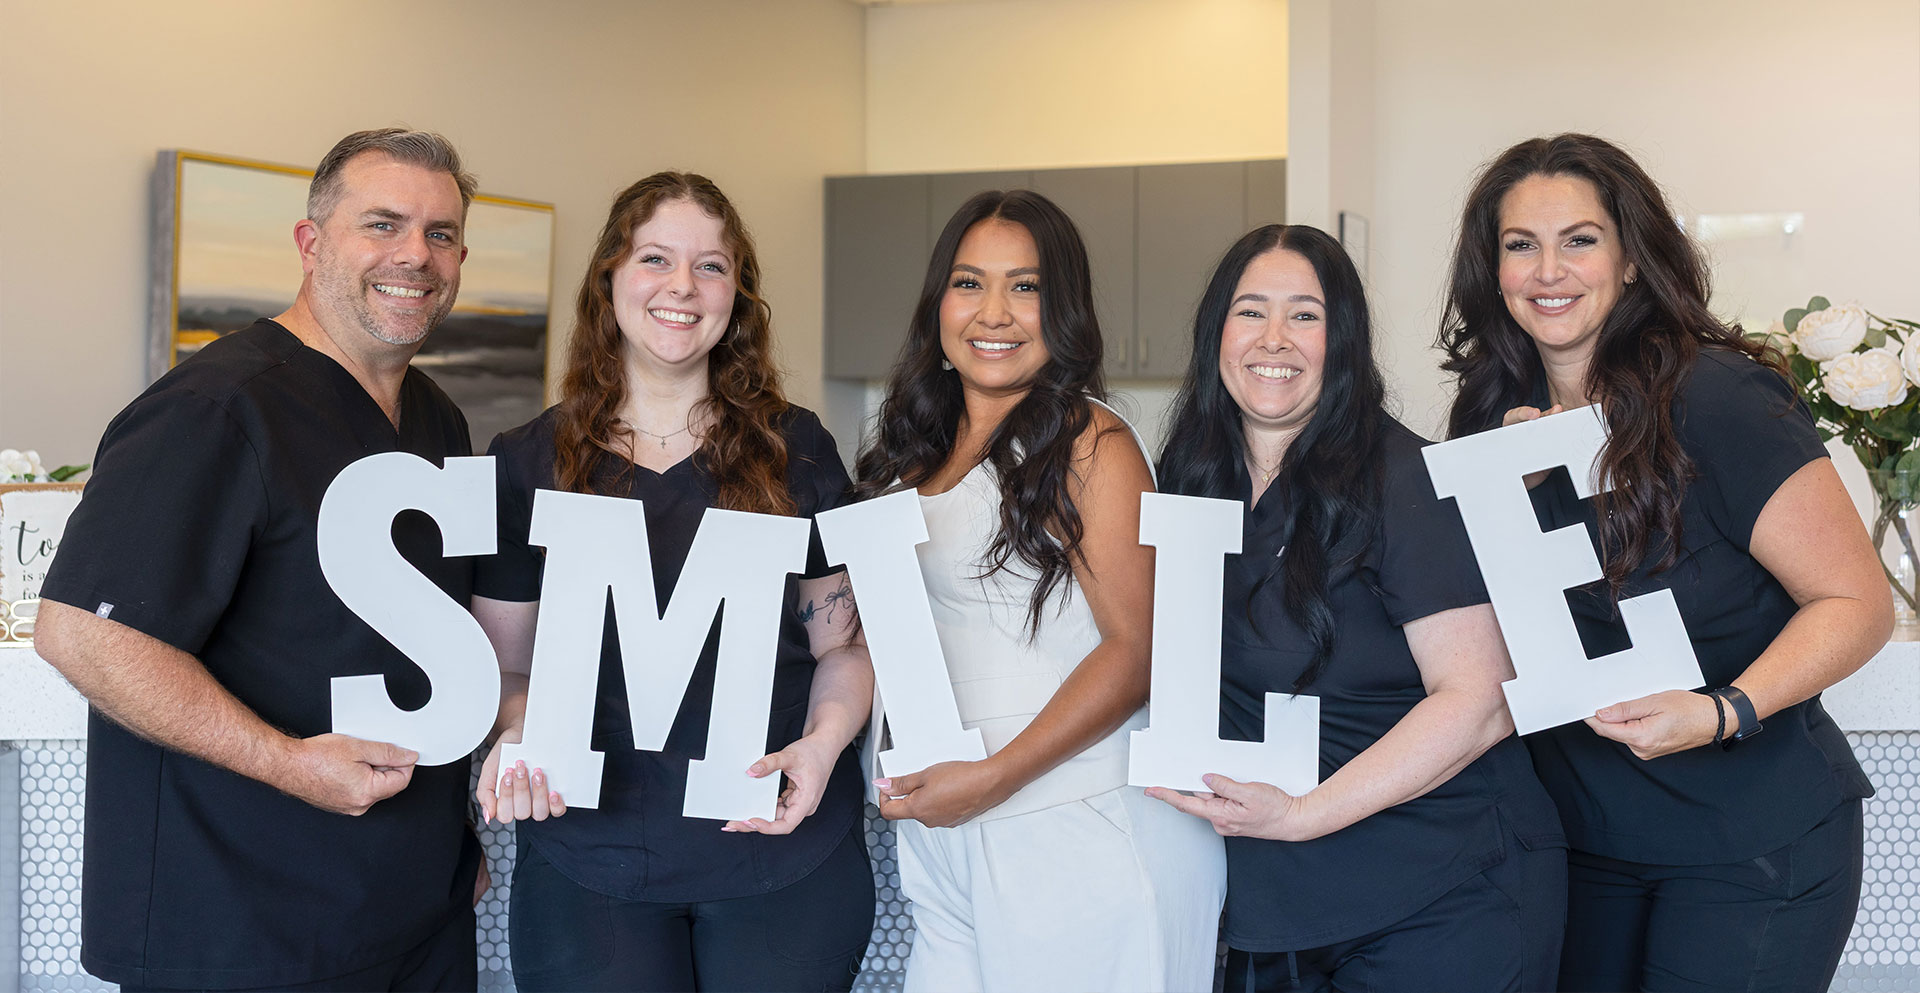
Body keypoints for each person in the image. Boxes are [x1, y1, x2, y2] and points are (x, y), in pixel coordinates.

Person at [33, 129, 486, 991]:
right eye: (382, 224)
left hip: (411, 915)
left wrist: (448, 842)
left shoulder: (439, 418)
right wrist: (289, 762)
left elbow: (418, 650)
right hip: (241, 925)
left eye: (439, 233)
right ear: (311, 243)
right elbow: (83, 632)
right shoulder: (212, 407)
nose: (415, 255)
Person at [1439, 133, 1888, 992]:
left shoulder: (1716, 396)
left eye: (1580, 239)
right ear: (1493, 271)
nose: (1548, 270)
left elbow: (1854, 601)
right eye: (1521, 245)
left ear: (1632, 258)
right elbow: (1482, 635)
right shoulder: (1490, 420)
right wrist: (1507, 494)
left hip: (1752, 840)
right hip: (1582, 838)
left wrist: (1721, 712)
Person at [469, 171, 875, 992]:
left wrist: (825, 743)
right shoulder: (525, 460)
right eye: (655, 258)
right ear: (610, 278)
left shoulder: (797, 449)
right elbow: (506, 666)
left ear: (737, 295)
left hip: (782, 855)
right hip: (590, 862)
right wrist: (515, 727)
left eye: (711, 266)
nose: (682, 286)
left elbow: (843, 646)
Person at [1145, 223, 1567, 991]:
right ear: (1216, 332)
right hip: (1277, 907)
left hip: (1439, 895)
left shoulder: (1401, 476)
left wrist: (1301, 814)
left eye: (1305, 314)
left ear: (1342, 340)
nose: (1275, 338)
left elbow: (1480, 699)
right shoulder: (1191, 477)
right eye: (1251, 311)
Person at [855, 189, 1226, 992]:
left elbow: (1138, 649)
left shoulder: (1088, 441)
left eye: (1025, 287)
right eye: (969, 282)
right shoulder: (915, 451)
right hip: (948, 833)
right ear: (938, 301)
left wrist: (991, 777)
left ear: (1064, 310)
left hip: (1077, 822)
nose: (994, 312)